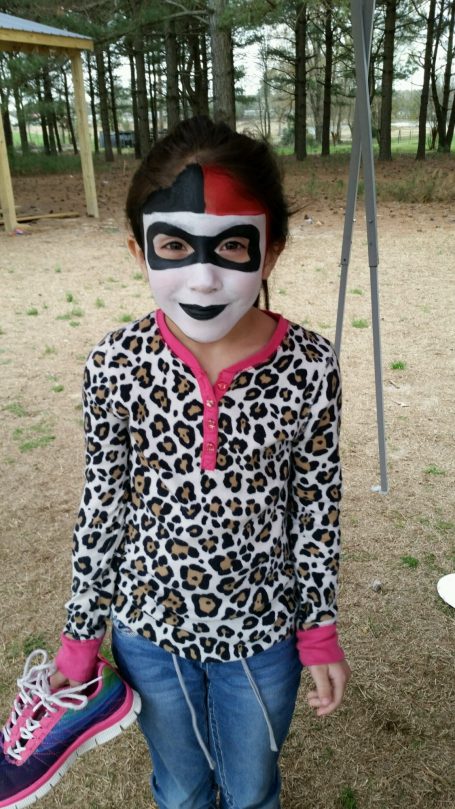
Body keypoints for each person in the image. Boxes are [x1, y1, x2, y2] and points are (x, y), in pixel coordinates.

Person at [4, 116, 351, 809]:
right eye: (172, 245)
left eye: (229, 246)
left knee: (251, 789)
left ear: (271, 249)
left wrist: (318, 631)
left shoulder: (310, 365)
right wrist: (79, 640)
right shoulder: (116, 363)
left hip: (262, 636)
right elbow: (102, 505)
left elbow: (316, 508)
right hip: (148, 637)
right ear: (138, 248)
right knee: (182, 788)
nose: (201, 278)